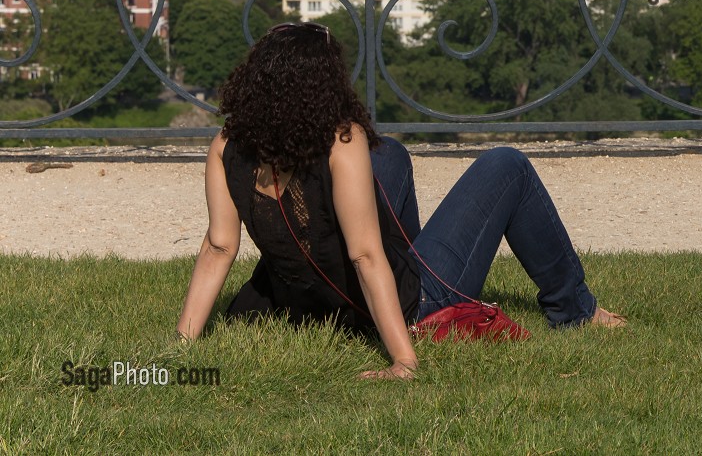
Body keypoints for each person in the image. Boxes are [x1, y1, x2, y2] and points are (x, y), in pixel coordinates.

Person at [176, 22, 623, 380]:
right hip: (404, 303)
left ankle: (411, 252)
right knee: (507, 166)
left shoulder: (227, 144)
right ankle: (576, 310)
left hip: (305, 305)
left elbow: (219, 247)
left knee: (389, 154)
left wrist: (182, 344)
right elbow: (366, 257)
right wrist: (403, 361)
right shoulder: (340, 140)